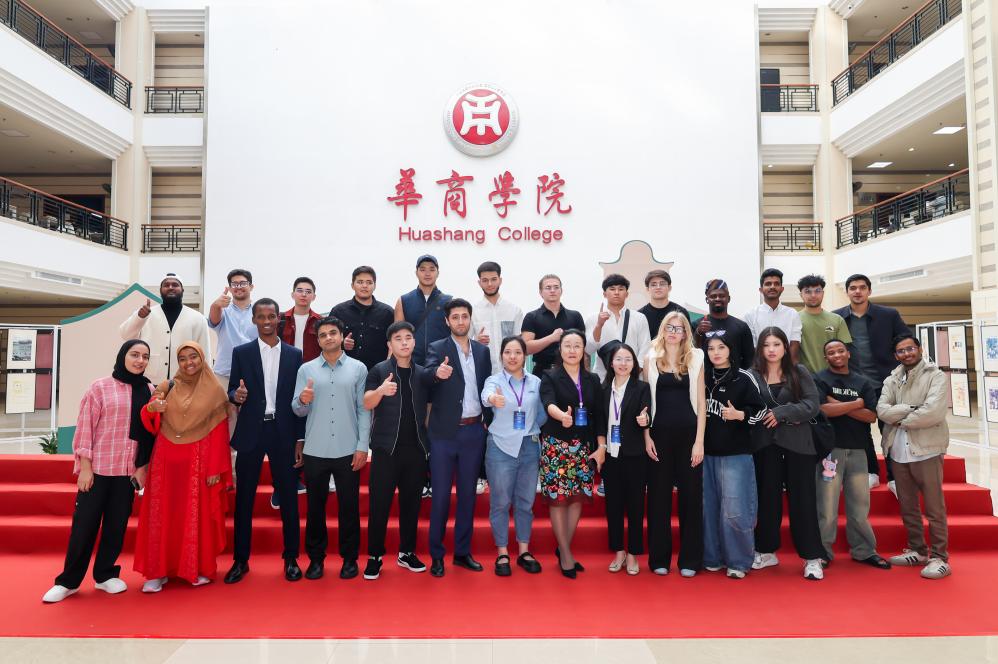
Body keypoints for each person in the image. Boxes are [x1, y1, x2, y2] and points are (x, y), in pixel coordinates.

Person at [42, 340, 154, 603]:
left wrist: (142, 468)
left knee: (116, 527)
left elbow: (150, 434)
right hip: (98, 470)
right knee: (84, 527)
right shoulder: (100, 387)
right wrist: (85, 468)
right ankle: (68, 582)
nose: (140, 360)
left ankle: (104, 575)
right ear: (123, 356)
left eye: (145, 356)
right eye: (134, 354)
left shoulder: (149, 390)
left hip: (126, 473)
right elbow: (85, 428)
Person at [132, 341, 232, 592]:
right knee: (161, 513)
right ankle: (157, 572)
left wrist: (215, 468)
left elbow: (220, 433)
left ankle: (194, 568)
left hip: (199, 462)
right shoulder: (168, 386)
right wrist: (152, 408)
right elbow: (148, 416)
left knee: (195, 514)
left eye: (193, 357)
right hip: (165, 461)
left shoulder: (215, 391)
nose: (189, 363)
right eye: (183, 358)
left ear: (202, 358)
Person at [224, 298, 305, 584]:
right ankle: (240, 561)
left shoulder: (295, 355)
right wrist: (236, 396)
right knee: (244, 500)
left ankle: (291, 558)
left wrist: (299, 439)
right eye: (261, 316)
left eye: (272, 316)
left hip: (284, 432)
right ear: (254, 320)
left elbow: (298, 400)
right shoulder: (242, 353)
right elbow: (233, 389)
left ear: (279, 319)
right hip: (251, 432)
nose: (267, 321)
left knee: (289, 499)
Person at [292, 317, 370, 581]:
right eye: (323, 334)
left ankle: (350, 559)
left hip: (348, 449)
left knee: (349, 508)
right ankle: (316, 560)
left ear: (341, 335)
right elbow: (297, 409)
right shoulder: (306, 369)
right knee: (315, 509)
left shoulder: (358, 368)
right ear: (318, 339)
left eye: (333, 333)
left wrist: (362, 446)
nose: (328, 338)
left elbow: (363, 409)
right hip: (315, 449)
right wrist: (302, 400)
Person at [749, 327, 826, 580]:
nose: (771, 350)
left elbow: (812, 405)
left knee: (803, 501)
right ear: (760, 348)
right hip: (764, 445)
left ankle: (812, 557)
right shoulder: (752, 375)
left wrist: (782, 413)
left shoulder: (798, 372)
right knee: (767, 500)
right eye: (766, 345)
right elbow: (747, 407)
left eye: (776, 344)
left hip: (798, 445)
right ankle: (766, 551)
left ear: (785, 347)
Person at [425, 298, 493, 577]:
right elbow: (427, 375)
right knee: (441, 497)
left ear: (470, 318)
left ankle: (463, 553)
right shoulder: (437, 348)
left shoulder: (483, 351)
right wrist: (436, 374)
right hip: (443, 434)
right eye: (455, 317)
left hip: (474, 431)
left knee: (468, 497)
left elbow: (487, 385)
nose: (461, 321)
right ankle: (437, 555)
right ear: (447, 321)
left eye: (465, 316)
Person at [362, 321, 435, 580]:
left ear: (414, 342)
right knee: (379, 504)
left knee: (411, 505)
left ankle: (407, 552)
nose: (404, 342)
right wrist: (381, 391)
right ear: (389, 344)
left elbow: (428, 408)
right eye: (398, 338)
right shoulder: (379, 370)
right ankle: (375, 556)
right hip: (385, 449)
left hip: (415, 450)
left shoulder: (422, 374)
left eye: (408, 338)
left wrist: (425, 439)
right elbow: (367, 402)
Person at [878, 334, 951, 579]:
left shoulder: (935, 375)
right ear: (895, 355)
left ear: (919, 349)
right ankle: (918, 550)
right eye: (901, 351)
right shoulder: (892, 378)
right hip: (898, 450)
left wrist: (900, 417)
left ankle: (939, 557)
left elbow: (933, 412)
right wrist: (911, 409)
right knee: (908, 506)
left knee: (934, 507)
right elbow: (882, 410)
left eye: (910, 348)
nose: (906, 353)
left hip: (927, 449)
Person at [814, 340, 891, 570]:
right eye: (831, 352)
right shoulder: (820, 379)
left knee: (859, 507)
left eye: (840, 351)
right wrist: (855, 404)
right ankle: (822, 552)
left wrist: (838, 404)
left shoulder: (862, 381)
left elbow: (871, 416)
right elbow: (822, 410)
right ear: (826, 358)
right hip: (830, 453)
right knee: (827, 508)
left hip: (858, 451)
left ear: (848, 353)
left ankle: (864, 550)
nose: (836, 355)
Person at [539, 329, 606, 579]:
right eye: (567, 345)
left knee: (577, 498)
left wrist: (601, 446)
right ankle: (566, 554)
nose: (572, 350)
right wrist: (562, 416)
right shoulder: (550, 376)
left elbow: (599, 415)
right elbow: (548, 403)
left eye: (577, 345)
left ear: (583, 350)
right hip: (557, 445)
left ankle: (563, 548)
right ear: (560, 349)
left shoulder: (592, 380)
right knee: (559, 499)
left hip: (583, 447)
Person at [833, 274, 910, 490]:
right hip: (854, 385)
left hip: (886, 383)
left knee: (890, 430)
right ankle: (871, 472)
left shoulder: (888, 315)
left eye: (862, 287)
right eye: (853, 288)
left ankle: (894, 477)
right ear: (847, 292)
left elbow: (905, 340)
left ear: (869, 291)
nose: (857, 291)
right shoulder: (837, 318)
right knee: (860, 431)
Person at [644, 311, 706, 577]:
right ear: (662, 329)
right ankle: (659, 558)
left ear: (685, 333)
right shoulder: (650, 358)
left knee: (691, 498)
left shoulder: (696, 357)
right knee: (658, 499)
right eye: (669, 327)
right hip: (658, 437)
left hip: (689, 437)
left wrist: (699, 442)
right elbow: (644, 403)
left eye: (678, 328)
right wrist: (646, 436)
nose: (673, 332)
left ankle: (690, 560)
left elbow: (702, 403)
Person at [702, 334, 766, 579]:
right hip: (705, 454)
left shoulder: (743, 377)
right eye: (711, 348)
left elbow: (761, 410)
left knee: (735, 508)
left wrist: (740, 415)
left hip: (735, 454)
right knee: (708, 508)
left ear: (731, 350)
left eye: (721, 347)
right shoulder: (702, 376)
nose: (716, 352)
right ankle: (712, 557)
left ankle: (738, 561)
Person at [482, 336, 545, 576]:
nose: (512, 356)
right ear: (501, 355)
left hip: (529, 447)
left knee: (525, 502)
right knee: (500, 502)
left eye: (518, 352)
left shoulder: (536, 382)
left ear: (525, 356)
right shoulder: (494, 380)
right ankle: (502, 553)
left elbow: (542, 414)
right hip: (500, 446)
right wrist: (493, 399)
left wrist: (531, 427)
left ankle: (524, 551)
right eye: (508, 352)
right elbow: (486, 396)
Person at [600, 343, 651, 576]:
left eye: (628, 359)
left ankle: (633, 554)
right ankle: (619, 551)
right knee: (613, 506)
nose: (623, 363)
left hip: (635, 455)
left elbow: (648, 415)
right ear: (611, 363)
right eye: (619, 359)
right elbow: (599, 422)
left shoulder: (641, 388)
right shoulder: (603, 389)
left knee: (635, 506)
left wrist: (645, 420)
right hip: (611, 455)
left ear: (634, 363)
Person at [119, 273, 212, 385]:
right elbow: (125, 335)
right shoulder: (146, 313)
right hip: (150, 380)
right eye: (166, 285)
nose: (170, 287)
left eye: (175, 285)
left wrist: (207, 381)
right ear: (160, 290)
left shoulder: (198, 318)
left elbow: (204, 351)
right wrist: (139, 317)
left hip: (184, 380)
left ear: (182, 290)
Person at [585, 273, 652, 381]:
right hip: (603, 379)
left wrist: (633, 372)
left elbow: (645, 349)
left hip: (633, 379)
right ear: (604, 294)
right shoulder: (593, 318)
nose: (616, 292)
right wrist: (599, 325)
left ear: (627, 294)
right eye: (612, 289)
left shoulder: (639, 318)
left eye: (621, 289)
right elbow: (588, 349)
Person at [331, 266, 396, 371]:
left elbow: (394, 342)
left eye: (369, 282)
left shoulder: (387, 313)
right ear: (352, 285)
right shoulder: (338, 311)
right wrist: (341, 343)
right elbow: (326, 340)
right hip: (343, 371)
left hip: (377, 373)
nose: (364, 286)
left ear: (375, 286)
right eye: (360, 282)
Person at [521, 274, 586, 377]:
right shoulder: (531, 317)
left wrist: (584, 374)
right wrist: (551, 338)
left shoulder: (575, 316)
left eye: (556, 287)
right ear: (540, 292)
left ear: (561, 291)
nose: (552, 290)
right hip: (542, 372)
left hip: (571, 372)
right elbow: (525, 348)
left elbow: (583, 347)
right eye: (548, 288)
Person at [394, 255, 452, 366]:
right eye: (422, 269)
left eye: (432, 269)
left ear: (438, 273)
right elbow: (396, 335)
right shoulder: (404, 300)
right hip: (411, 364)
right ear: (416, 273)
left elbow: (455, 335)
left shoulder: (448, 301)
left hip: (441, 363)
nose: (427, 273)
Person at [472, 261, 524, 374]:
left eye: (494, 279)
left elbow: (520, 344)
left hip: (511, 372)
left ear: (500, 280)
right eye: (485, 280)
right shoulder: (473, 312)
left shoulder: (514, 310)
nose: (490, 284)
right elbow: (464, 345)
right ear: (479, 283)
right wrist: (475, 342)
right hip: (482, 372)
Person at [208, 269, 257, 384]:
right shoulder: (222, 310)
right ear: (229, 288)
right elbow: (213, 321)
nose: (238, 287)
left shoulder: (259, 311)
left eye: (243, 283)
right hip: (224, 372)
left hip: (253, 371)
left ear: (251, 287)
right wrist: (215, 305)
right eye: (234, 284)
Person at [693, 279, 754, 370]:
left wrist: (741, 377)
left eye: (721, 296)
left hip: (736, 377)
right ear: (707, 300)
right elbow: (690, 355)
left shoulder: (741, 327)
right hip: (704, 377)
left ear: (728, 299)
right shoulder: (697, 325)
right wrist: (698, 333)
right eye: (713, 296)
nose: (717, 299)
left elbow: (749, 360)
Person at [743, 268, 801, 362]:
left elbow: (794, 344)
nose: (772, 287)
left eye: (776, 284)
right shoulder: (750, 315)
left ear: (782, 289)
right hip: (760, 367)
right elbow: (752, 347)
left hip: (786, 367)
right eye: (768, 284)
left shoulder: (792, 314)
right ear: (761, 289)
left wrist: (787, 368)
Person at [797, 274, 852, 374]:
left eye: (817, 291)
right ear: (801, 295)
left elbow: (844, 353)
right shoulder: (794, 319)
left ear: (823, 293)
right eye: (808, 291)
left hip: (833, 377)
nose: (813, 295)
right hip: (804, 378)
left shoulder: (837, 320)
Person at [280, 277, 322, 362]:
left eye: (308, 292)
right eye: (300, 291)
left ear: (314, 297)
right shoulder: (281, 319)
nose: (304, 294)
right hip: (286, 366)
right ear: (293, 295)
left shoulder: (320, 321)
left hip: (312, 367)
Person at [639, 269, 690, 338]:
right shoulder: (640, 315)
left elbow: (688, 339)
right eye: (653, 284)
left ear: (669, 288)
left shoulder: (681, 312)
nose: (658, 287)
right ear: (647, 289)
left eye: (662, 284)